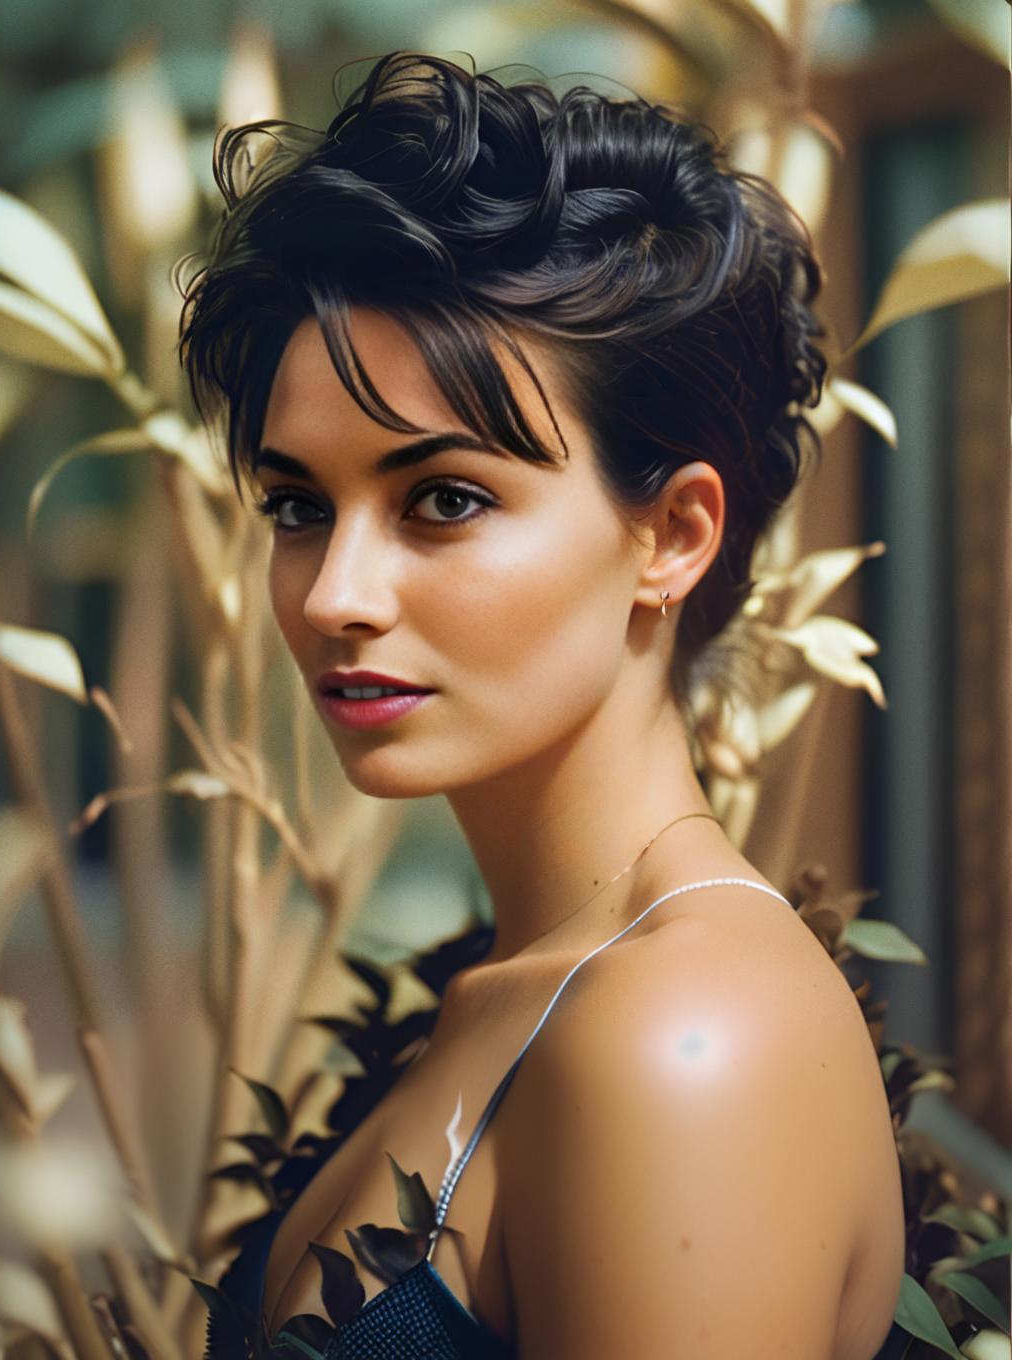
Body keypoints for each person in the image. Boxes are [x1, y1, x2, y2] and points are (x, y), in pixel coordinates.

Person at [179, 49, 906, 1360]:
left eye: (442, 499)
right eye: (298, 505)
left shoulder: (687, 1043)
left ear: (672, 536)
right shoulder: (511, 983)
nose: (336, 592)